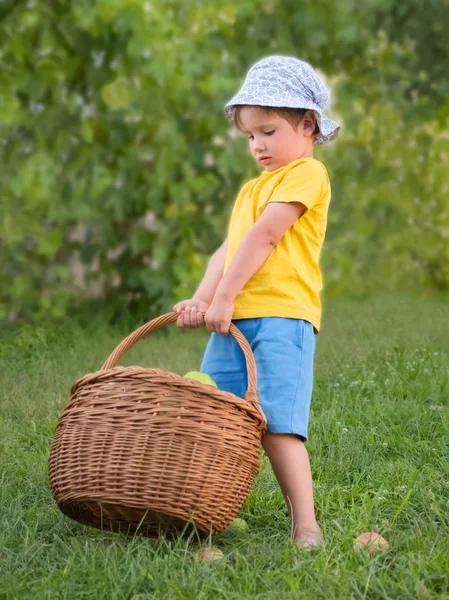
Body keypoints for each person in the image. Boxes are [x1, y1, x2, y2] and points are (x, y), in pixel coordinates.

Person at [173, 55, 340, 550]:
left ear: (307, 124)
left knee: (276, 425)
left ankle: (305, 525)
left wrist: (223, 298)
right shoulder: (251, 189)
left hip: (282, 317)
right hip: (232, 322)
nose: (258, 145)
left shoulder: (308, 174)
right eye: (250, 136)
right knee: (216, 415)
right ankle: (193, 513)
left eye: (267, 131)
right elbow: (227, 250)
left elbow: (265, 237)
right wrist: (200, 300)